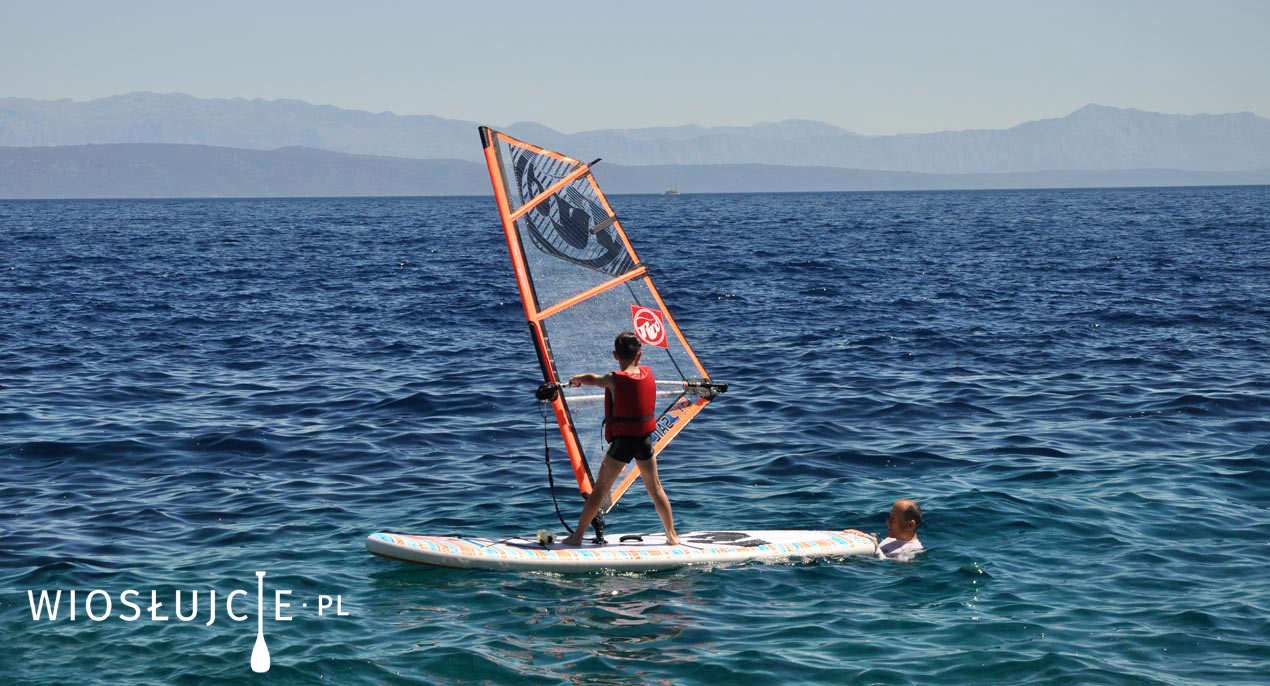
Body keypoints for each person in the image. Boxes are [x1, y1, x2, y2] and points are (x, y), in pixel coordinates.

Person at [560, 332, 680, 547]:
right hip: (644, 440)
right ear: (640, 355)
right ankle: (672, 536)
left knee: (600, 492)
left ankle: (577, 537)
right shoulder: (647, 373)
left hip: (623, 443)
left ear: (615, 355)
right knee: (655, 488)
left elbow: (592, 379)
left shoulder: (614, 379)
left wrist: (575, 379)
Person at [846, 499, 924, 561]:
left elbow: (893, 570)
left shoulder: (913, 550)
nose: (887, 521)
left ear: (910, 525)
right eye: (890, 516)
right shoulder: (889, 539)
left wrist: (876, 548)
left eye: (893, 518)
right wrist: (861, 538)